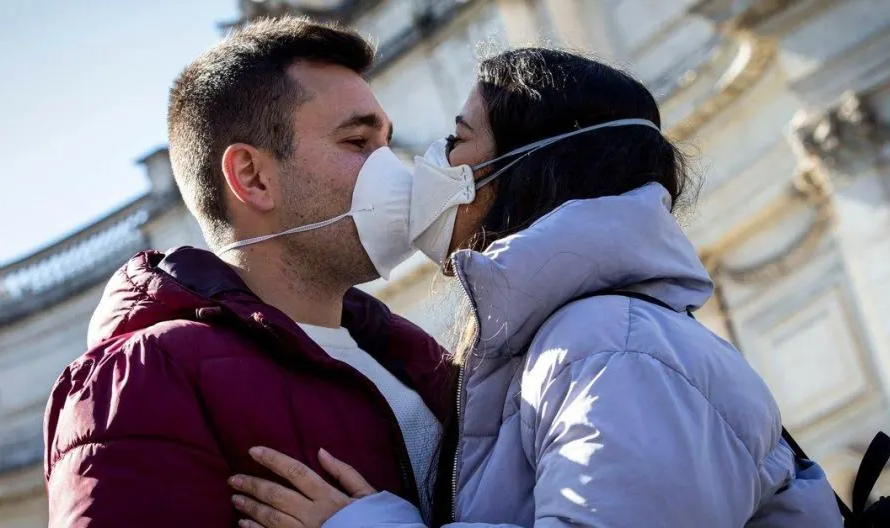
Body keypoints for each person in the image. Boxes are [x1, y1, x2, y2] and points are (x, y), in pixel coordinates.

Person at [227, 48, 845, 527]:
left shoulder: (614, 349)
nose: (425, 172)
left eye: (455, 142)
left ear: (524, 167)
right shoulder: (578, 343)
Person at [43, 17, 453, 526]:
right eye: (357, 143)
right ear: (253, 177)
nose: (393, 170)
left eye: (388, 143)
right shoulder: (138, 381)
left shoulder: (419, 358)